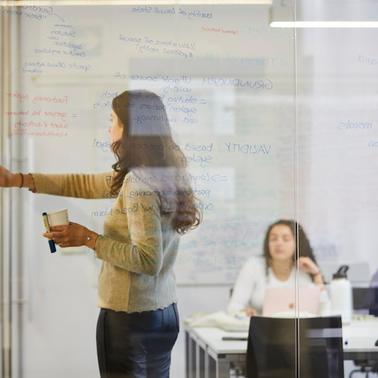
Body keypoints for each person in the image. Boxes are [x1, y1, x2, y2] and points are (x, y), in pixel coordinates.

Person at [0, 90, 201, 378]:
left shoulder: (138, 182)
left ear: (129, 129)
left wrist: (87, 238)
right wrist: (20, 179)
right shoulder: (163, 172)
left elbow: (147, 260)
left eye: (112, 121)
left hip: (130, 320)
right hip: (164, 314)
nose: (108, 128)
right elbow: (84, 184)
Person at [228, 219, 325, 317]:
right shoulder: (254, 265)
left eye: (286, 239)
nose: (279, 243)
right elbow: (234, 306)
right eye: (273, 239)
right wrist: (243, 312)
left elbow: (322, 310)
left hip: (299, 328)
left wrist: (316, 274)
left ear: (297, 243)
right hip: (262, 328)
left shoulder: (304, 268)